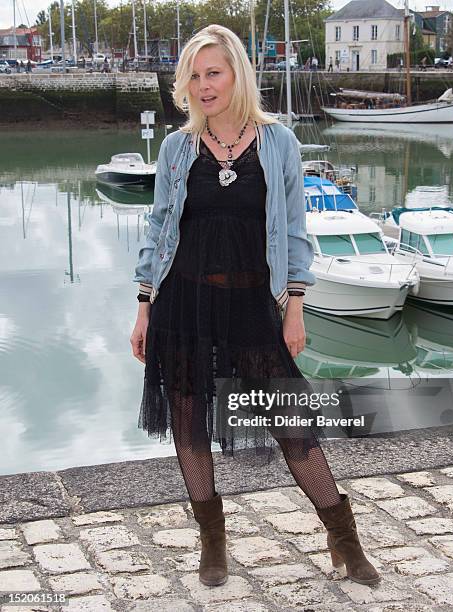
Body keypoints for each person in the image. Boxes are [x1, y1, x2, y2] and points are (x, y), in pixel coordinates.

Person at [130, 23, 380, 589]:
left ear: (238, 73)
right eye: (193, 76)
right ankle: (212, 542)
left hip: (251, 306)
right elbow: (159, 230)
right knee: (189, 424)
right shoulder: (176, 149)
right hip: (183, 304)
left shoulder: (279, 143)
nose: (203, 85)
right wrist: (144, 306)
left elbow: (294, 231)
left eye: (213, 72)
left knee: (293, 427)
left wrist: (294, 305)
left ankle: (343, 535)